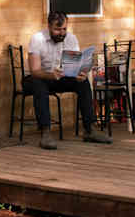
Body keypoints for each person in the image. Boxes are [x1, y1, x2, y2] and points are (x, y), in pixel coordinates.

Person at [25, 11, 112, 149]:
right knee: (38, 85)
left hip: (60, 77)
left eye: (64, 29)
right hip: (37, 78)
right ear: (48, 26)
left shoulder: (71, 39)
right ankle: (46, 133)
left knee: (83, 82)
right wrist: (51, 75)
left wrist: (79, 74)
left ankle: (89, 130)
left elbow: (73, 66)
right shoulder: (38, 39)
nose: (61, 33)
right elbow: (35, 71)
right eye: (57, 29)